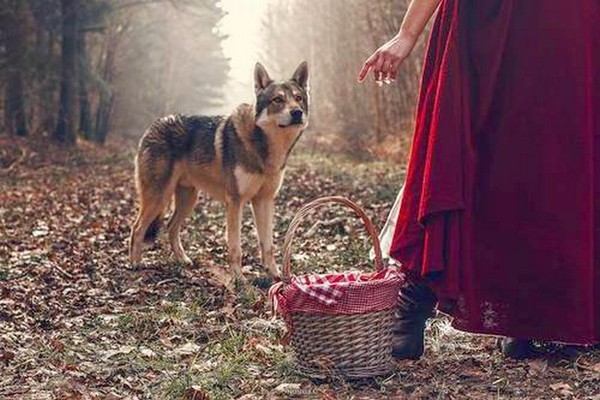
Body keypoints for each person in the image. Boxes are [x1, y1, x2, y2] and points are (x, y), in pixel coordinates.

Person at [359, 0, 600, 359]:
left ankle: (520, 318)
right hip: (554, 23)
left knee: (476, 155)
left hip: (539, 24)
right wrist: (405, 34)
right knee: (543, 163)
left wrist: (407, 34)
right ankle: (513, 318)